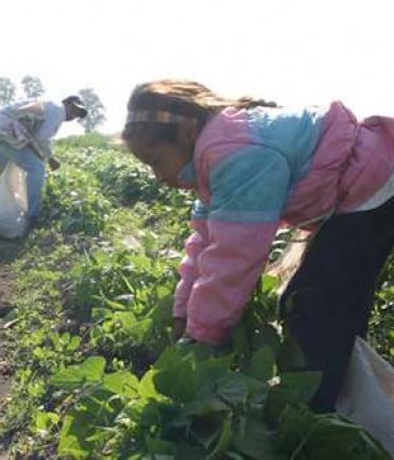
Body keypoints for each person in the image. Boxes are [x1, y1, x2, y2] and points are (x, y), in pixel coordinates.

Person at [122, 79, 394, 413]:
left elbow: (235, 259)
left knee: (313, 306)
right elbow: (204, 244)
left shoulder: (233, 154)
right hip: (364, 186)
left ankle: (311, 418)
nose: (156, 175)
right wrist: (183, 312)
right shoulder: (214, 157)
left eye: (156, 160)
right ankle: (344, 401)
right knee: (329, 305)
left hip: (371, 182)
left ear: (186, 132)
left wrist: (204, 336)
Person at [0, 96, 88, 224]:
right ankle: (32, 216)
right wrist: (50, 158)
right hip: (7, 130)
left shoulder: (47, 105)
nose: (73, 115)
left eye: (77, 114)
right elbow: (42, 138)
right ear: (66, 103)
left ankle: (4, 211)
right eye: (74, 109)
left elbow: (34, 137)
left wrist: (41, 155)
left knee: (7, 173)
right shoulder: (58, 110)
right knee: (37, 167)